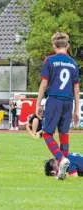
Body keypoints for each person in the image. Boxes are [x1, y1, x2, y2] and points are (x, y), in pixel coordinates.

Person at [36, 32, 80, 180]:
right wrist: (76, 109)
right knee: (64, 134)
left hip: (54, 100)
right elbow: (76, 89)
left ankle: (61, 159)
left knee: (47, 133)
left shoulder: (49, 60)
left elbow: (44, 84)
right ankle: (63, 172)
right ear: (67, 46)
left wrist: (39, 104)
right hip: (68, 101)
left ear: (54, 46)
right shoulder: (73, 63)